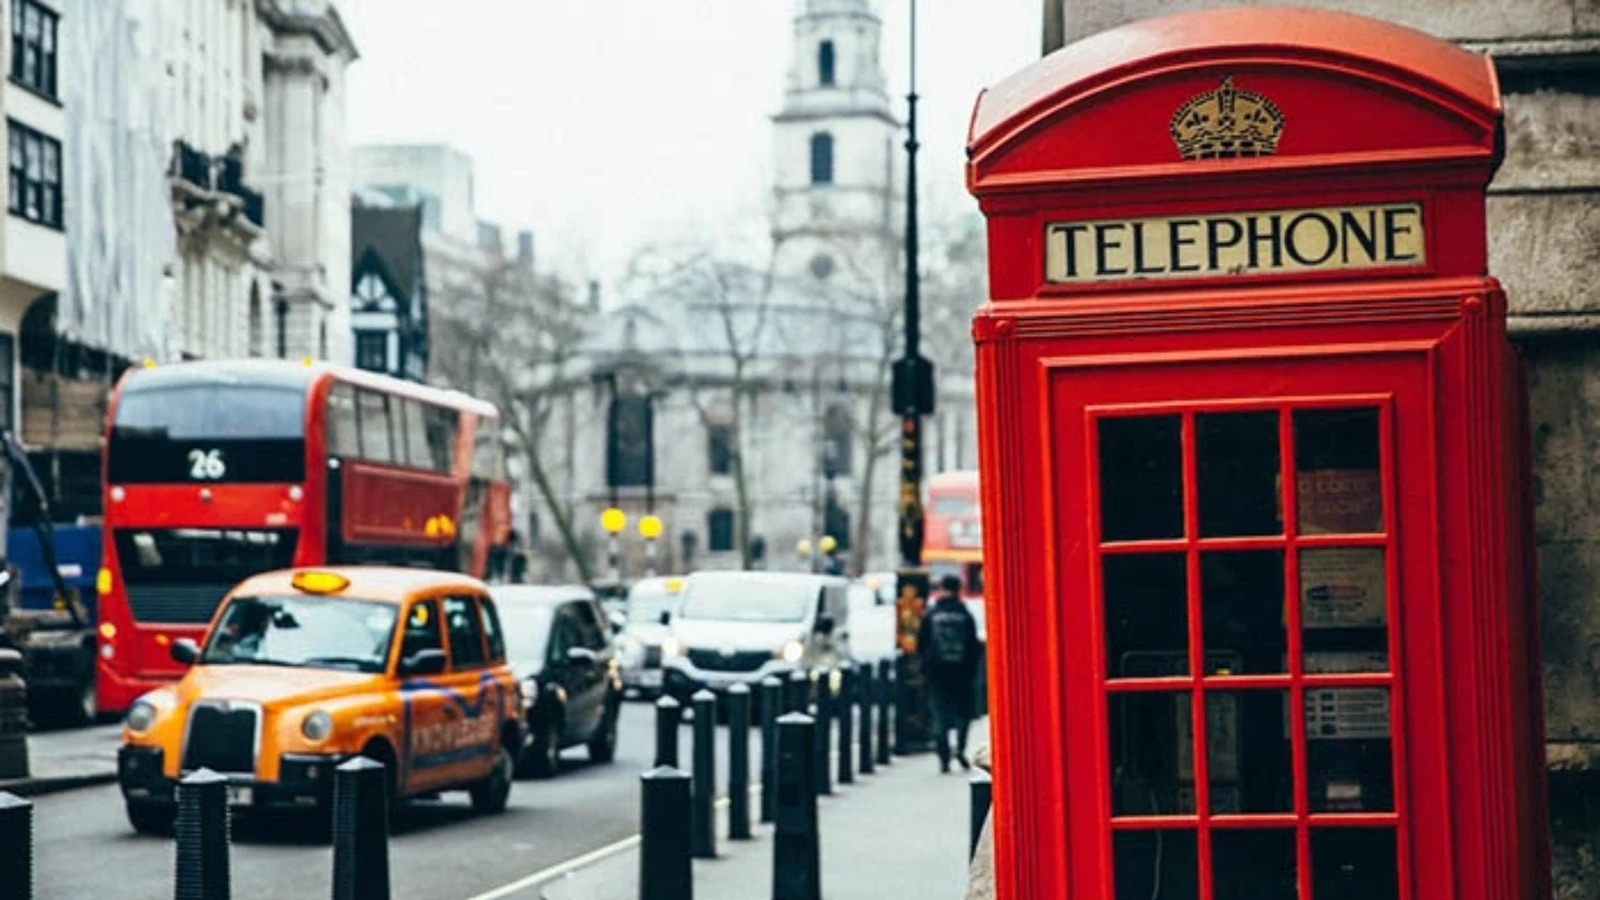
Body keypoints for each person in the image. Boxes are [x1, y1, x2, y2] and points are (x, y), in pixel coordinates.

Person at [918, 574, 981, 773]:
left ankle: (943, 756)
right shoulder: (965, 614)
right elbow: (974, 646)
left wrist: (925, 669)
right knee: (963, 714)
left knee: (939, 715)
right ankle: (960, 748)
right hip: (962, 674)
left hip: (937, 675)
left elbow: (922, 644)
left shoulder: (931, 614)